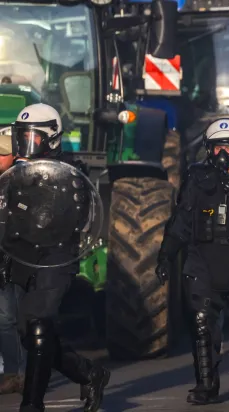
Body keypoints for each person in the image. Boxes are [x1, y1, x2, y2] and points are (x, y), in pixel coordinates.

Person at [4, 103, 109, 412]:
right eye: (20, 138)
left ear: (51, 139)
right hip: (21, 256)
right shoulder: (15, 174)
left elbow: (68, 219)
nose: (24, 146)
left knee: (37, 324)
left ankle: (32, 404)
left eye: (32, 139)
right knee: (30, 332)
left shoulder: (71, 175)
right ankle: (90, 373)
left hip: (56, 258)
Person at [156, 118, 229, 405]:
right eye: (217, 148)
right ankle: (206, 383)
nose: (223, 154)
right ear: (208, 150)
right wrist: (166, 254)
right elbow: (180, 222)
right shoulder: (197, 178)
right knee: (202, 321)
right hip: (203, 260)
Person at [0, 133, 25, 396]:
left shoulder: (22, 183)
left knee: (12, 318)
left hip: (16, 260)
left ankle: (19, 374)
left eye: (1, 154)